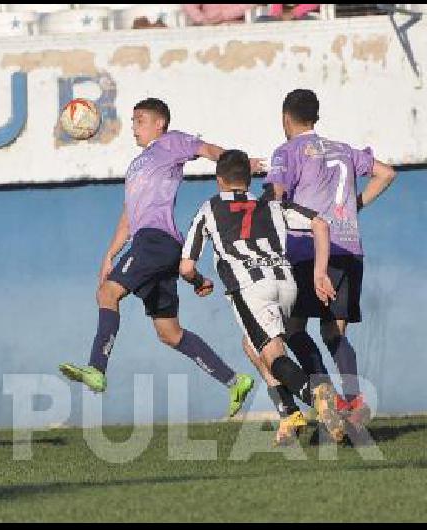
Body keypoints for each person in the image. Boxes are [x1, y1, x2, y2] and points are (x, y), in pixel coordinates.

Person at [59, 98, 259, 418]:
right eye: (133, 121)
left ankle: (96, 368)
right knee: (169, 332)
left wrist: (242, 164)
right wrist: (110, 255)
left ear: (159, 124)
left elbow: (208, 150)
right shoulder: (137, 166)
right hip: (152, 244)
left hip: (156, 241)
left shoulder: (171, 143)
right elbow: (128, 216)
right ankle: (235, 381)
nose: (134, 128)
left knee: (108, 293)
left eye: (139, 121)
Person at [181, 149, 346, 443]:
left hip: (250, 287)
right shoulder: (272, 205)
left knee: (272, 354)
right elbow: (321, 224)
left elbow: (186, 267)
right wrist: (320, 273)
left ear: (219, 180)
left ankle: (317, 399)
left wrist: (198, 281)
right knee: (251, 345)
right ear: (248, 178)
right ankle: (289, 412)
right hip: (286, 282)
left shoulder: (210, 207)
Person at [265, 89, 396, 426]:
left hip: (308, 251)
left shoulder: (288, 151)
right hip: (349, 248)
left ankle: (325, 395)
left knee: (293, 328)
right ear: (316, 117)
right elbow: (387, 173)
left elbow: (275, 195)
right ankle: (353, 399)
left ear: (285, 118)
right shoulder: (343, 149)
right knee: (334, 333)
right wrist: (355, 207)